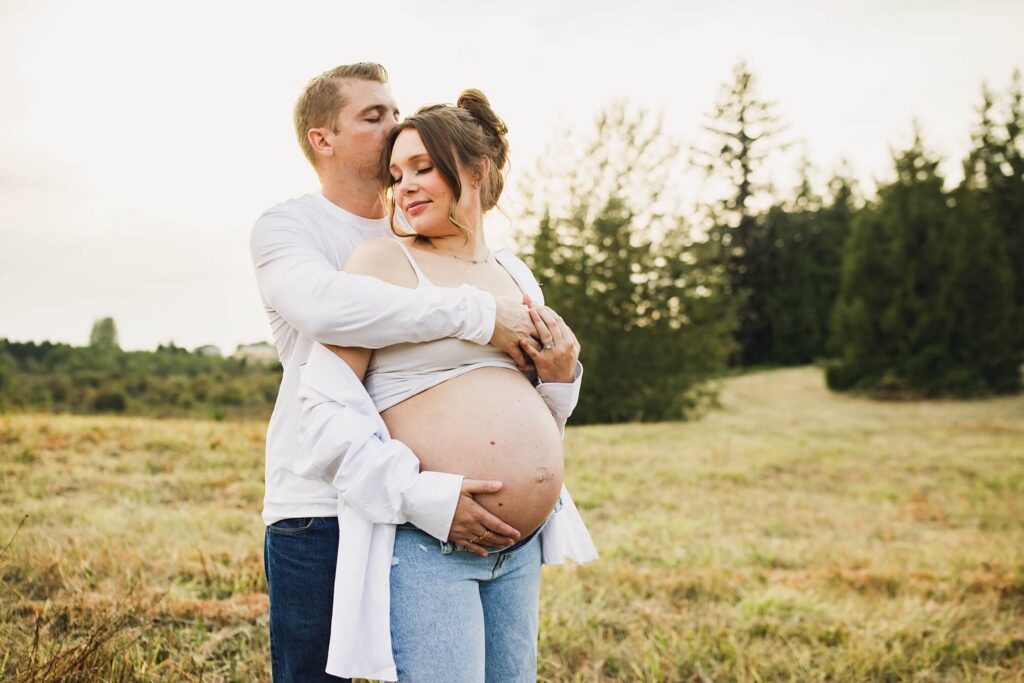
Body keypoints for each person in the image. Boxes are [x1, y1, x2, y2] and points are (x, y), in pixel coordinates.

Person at [250, 64, 574, 682]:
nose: (393, 128)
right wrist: (479, 315)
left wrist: (561, 374)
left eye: (399, 120)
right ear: (323, 139)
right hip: (321, 499)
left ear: (471, 172)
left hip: (492, 534)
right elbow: (327, 309)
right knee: (316, 673)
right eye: (374, 118)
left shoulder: (493, 263)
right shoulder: (305, 233)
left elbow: (526, 400)